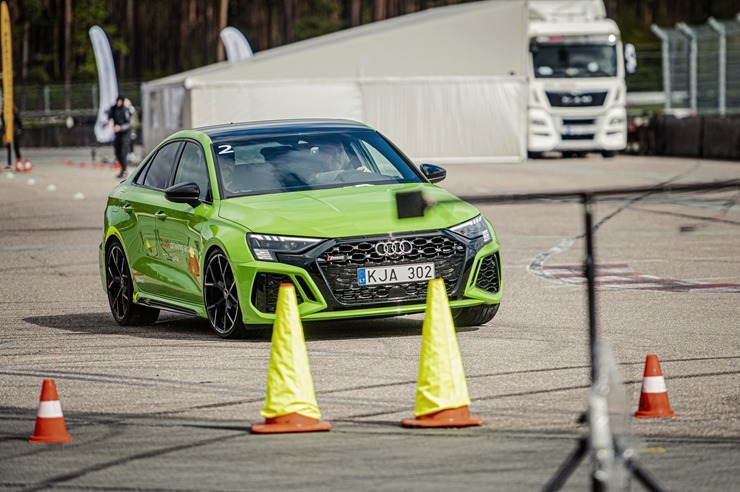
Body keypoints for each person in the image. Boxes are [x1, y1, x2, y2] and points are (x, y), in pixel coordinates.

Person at [106, 95, 132, 178]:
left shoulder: (125, 110)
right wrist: (107, 120)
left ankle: (124, 170)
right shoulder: (114, 108)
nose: (118, 103)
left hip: (125, 134)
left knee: (123, 152)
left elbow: (129, 124)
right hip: (117, 135)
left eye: (120, 101)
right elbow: (109, 114)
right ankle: (123, 169)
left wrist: (120, 128)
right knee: (117, 152)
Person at [1, 105, 28, 172]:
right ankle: (9, 163)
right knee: (9, 148)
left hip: (15, 133)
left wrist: (19, 130)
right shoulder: (3, 114)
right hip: (8, 133)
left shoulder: (15, 114)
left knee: (16, 148)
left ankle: (19, 162)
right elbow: (3, 124)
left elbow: (19, 123)